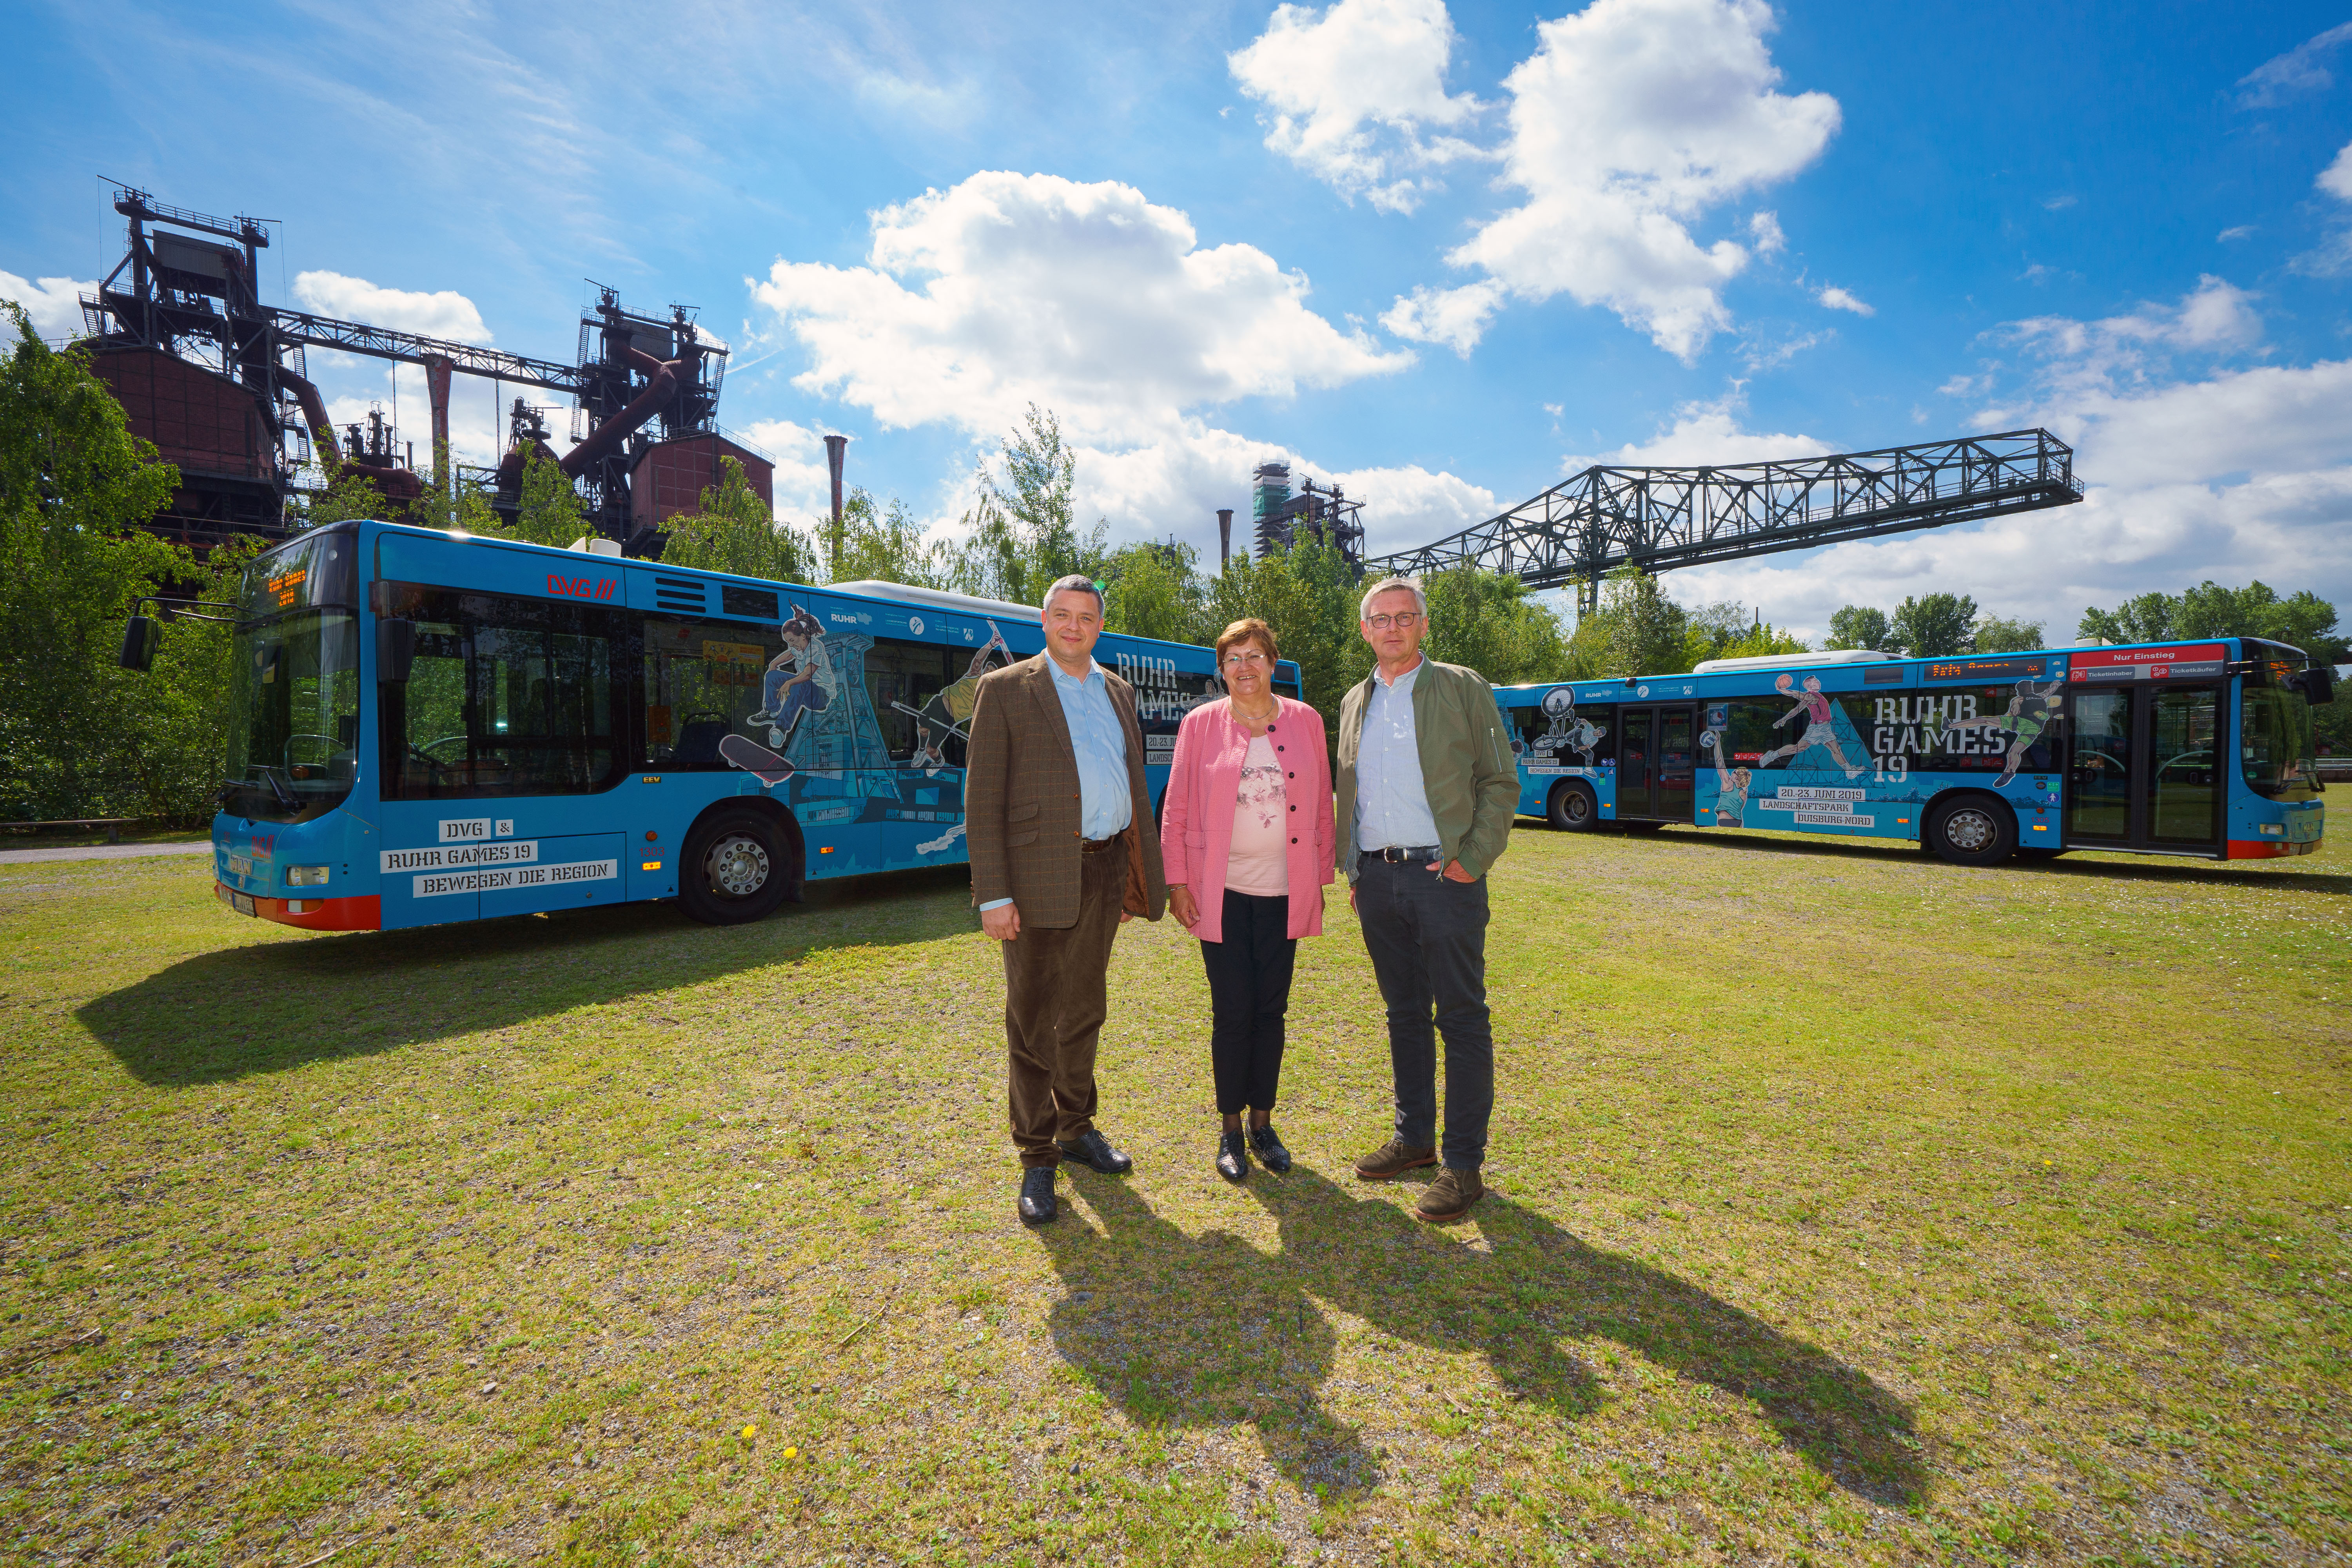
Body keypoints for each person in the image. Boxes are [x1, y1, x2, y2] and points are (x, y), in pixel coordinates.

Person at [965, 575, 1169, 1227]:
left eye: (1087, 617)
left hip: (1105, 869)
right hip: (1033, 877)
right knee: (1031, 1021)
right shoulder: (1004, 689)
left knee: (1084, 1009)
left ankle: (1077, 1128)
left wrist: (1137, 873)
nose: (1074, 626)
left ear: (1099, 626)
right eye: (1063, 615)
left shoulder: (1119, 691)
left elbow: (1132, 786)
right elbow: (982, 801)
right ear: (1043, 620)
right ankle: (1036, 1155)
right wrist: (994, 894)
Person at [1335, 576, 1519, 1224]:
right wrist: (1354, 870)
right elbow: (1349, 791)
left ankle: (1462, 1163)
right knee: (1403, 1014)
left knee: (1461, 1018)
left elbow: (1501, 781)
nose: (1392, 628)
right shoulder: (1354, 701)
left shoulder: (1463, 687)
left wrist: (1472, 861)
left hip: (1446, 879)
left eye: (1403, 617)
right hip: (1378, 883)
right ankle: (1414, 1141)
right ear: (1365, 630)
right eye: (1380, 619)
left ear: (1423, 625)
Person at [1161, 618, 1336, 1183]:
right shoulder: (1199, 725)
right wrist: (1178, 882)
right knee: (1233, 1012)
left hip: (1285, 892)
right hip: (1223, 894)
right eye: (1234, 657)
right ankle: (1231, 1129)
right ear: (1222, 669)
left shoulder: (1306, 721)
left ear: (1273, 664)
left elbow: (1323, 807)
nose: (1245, 666)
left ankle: (1264, 1124)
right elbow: (1177, 807)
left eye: (1255, 655)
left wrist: (1321, 881)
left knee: (1271, 1011)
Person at [750, 608, 834, 750]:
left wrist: (789, 683)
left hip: (821, 696)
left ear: (802, 636)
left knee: (799, 683)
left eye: (792, 641)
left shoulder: (816, 648)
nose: (791, 645)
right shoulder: (799, 646)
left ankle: (781, 728)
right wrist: (774, 664)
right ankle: (772, 712)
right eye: (788, 642)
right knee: (772, 676)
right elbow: (790, 654)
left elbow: (808, 674)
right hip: (807, 688)